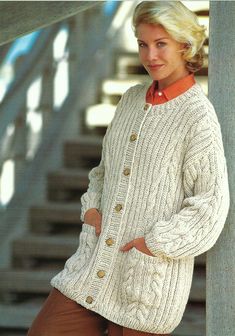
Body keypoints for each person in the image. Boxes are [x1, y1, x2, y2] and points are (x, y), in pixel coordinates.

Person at [27, 1, 230, 335]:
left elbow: (211, 205)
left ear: (184, 45)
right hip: (92, 268)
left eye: (161, 44)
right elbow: (104, 171)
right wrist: (92, 209)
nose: (151, 56)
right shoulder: (131, 100)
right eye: (143, 44)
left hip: (145, 283)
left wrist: (153, 244)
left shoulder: (197, 116)